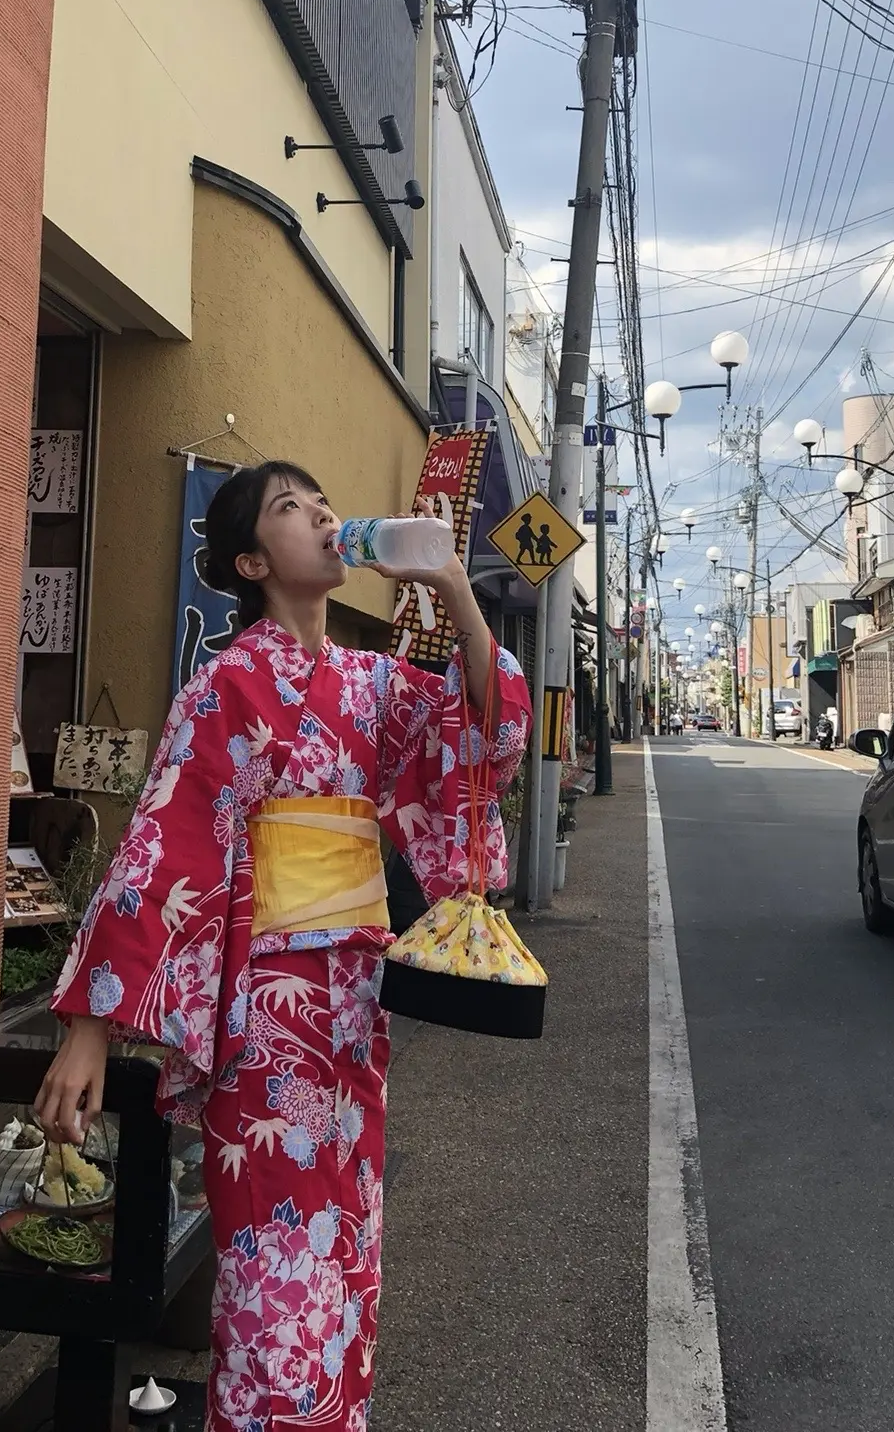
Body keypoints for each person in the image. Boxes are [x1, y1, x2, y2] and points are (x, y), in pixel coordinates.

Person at [35, 462, 531, 1432]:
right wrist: (90, 1028)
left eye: (320, 501)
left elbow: (480, 733)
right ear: (254, 561)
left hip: (353, 1013)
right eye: (290, 508)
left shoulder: (368, 683)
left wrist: (452, 584)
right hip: (268, 1019)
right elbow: (165, 847)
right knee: (275, 1281)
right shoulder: (227, 684)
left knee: (347, 1257)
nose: (322, 515)